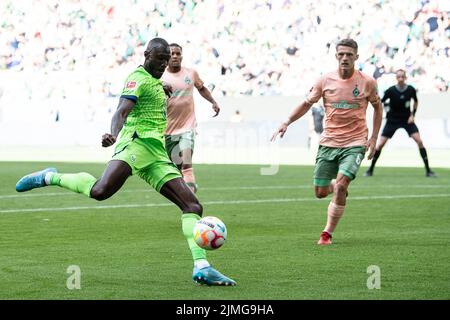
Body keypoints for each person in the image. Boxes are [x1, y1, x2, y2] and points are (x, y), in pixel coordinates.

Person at [15, 38, 236, 286]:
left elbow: (152, 91)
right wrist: (114, 133)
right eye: (160, 58)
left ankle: (202, 267)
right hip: (135, 144)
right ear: (146, 54)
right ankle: (49, 177)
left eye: (166, 60)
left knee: (193, 206)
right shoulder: (137, 78)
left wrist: (160, 87)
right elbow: (122, 110)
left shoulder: (155, 81)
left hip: (156, 154)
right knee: (100, 191)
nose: (164, 64)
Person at [271, 39, 383, 245]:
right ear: (336, 56)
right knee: (320, 193)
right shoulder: (324, 81)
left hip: (355, 142)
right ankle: (335, 186)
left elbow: (378, 108)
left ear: (356, 57)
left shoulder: (367, 82)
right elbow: (306, 104)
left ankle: (326, 234)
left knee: (341, 186)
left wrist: (374, 137)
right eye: (341, 54)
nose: (345, 58)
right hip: (329, 142)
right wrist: (286, 121)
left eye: (349, 54)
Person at [161, 43, 220, 193]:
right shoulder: (160, 76)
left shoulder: (191, 73)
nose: (175, 56)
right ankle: (187, 188)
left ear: (182, 56)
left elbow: (201, 88)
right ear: (167, 57)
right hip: (168, 130)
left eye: (178, 53)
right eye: (172, 54)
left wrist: (213, 101)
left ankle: (191, 201)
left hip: (188, 127)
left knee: (187, 165)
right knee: (176, 167)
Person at [364, 69, 436, 177]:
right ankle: (370, 170)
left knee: (419, 141)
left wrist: (413, 115)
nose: (401, 79)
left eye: (403, 77)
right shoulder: (391, 90)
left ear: (406, 77)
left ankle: (428, 170)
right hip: (392, 120)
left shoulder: (411, 89)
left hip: (407, 120)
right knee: (380, 145)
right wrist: (385, 110)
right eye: (399, 77)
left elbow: (415, 102)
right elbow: (380, 102)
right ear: (396, 78)